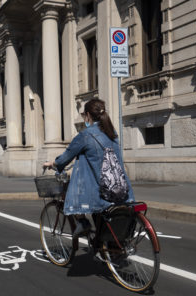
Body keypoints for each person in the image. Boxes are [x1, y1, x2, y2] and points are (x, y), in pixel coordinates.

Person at [43, 98, 135, 240]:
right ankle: (105, 248)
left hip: (100, 190)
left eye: (83, 115)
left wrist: (54, 164)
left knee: (72, 195)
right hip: (121, 188)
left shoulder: (85, 135)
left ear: (88, 115)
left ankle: (83, 222)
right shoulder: (112, 133)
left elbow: (66, 157)